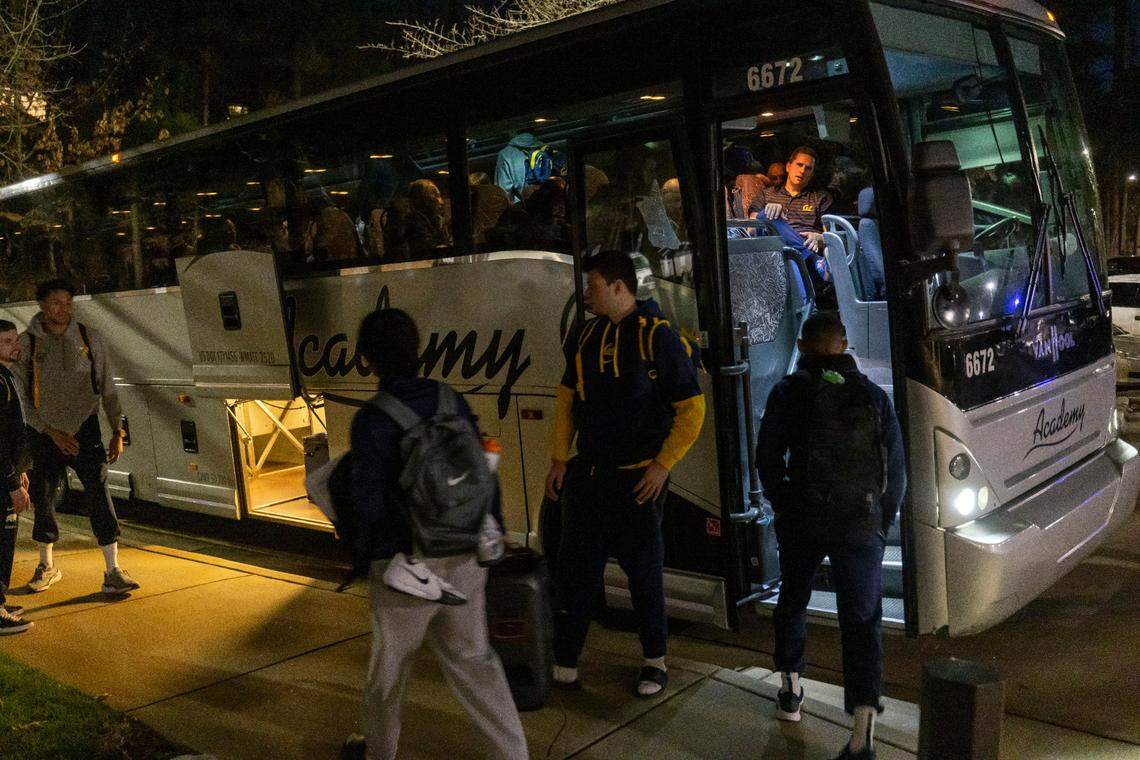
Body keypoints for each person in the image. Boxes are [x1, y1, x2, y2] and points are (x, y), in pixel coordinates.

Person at [343, 308, 528, 760]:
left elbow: (366, 504)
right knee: (475, 662)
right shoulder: (450, 398)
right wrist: (495, 527)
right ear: (418, 350)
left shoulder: (373, 419)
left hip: (408, 567)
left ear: (367, 360)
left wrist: (366, 553)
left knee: (389, 675)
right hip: (465, 556)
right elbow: (479, 468)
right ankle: (514, 754)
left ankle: (378, 754)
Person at [545, 250, 706, 698]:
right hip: (589, 479)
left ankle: (654, 661)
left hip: (637, 484)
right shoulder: (586, 336)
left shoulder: (658, 337)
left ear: (619, 287)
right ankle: (565, 661)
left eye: (593, 287)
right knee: (576, 574)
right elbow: (565, 400)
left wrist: (661, 467)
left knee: (644, 578)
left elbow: (691, 410)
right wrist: (560, 459)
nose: (586, 295)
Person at [755, 312, 906, 760]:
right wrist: (882, 520)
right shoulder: (873, 395)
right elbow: (894, 469)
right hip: (859, 521)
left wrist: (784, 504)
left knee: (793, 600)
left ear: (802, 347)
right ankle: (862, 734)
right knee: (861, 621)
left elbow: (767, 457)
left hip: (803, 518)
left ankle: (791, 690)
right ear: (843, 346)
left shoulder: (787, 392)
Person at [15, 279, 140, 596]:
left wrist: (117, 430)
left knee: (99, 493)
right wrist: (50, 431)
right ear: (42, 306)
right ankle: (46, 565)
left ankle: (113, 570)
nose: (64, 308)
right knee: (43, 497)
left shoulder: (89, 337)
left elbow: (108, 388)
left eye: (68, 302)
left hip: (86, 429)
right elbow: (22, 399)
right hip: (44, 433)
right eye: (56, 302)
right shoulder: (26, 344)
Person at [0, 319, 33, 634]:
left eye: (15, 339)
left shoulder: (6, 377)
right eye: (7, 341)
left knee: (6, 541)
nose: (15, 345)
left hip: (9, 474)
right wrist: (11, 483)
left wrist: (20, 473)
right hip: (1, 481)